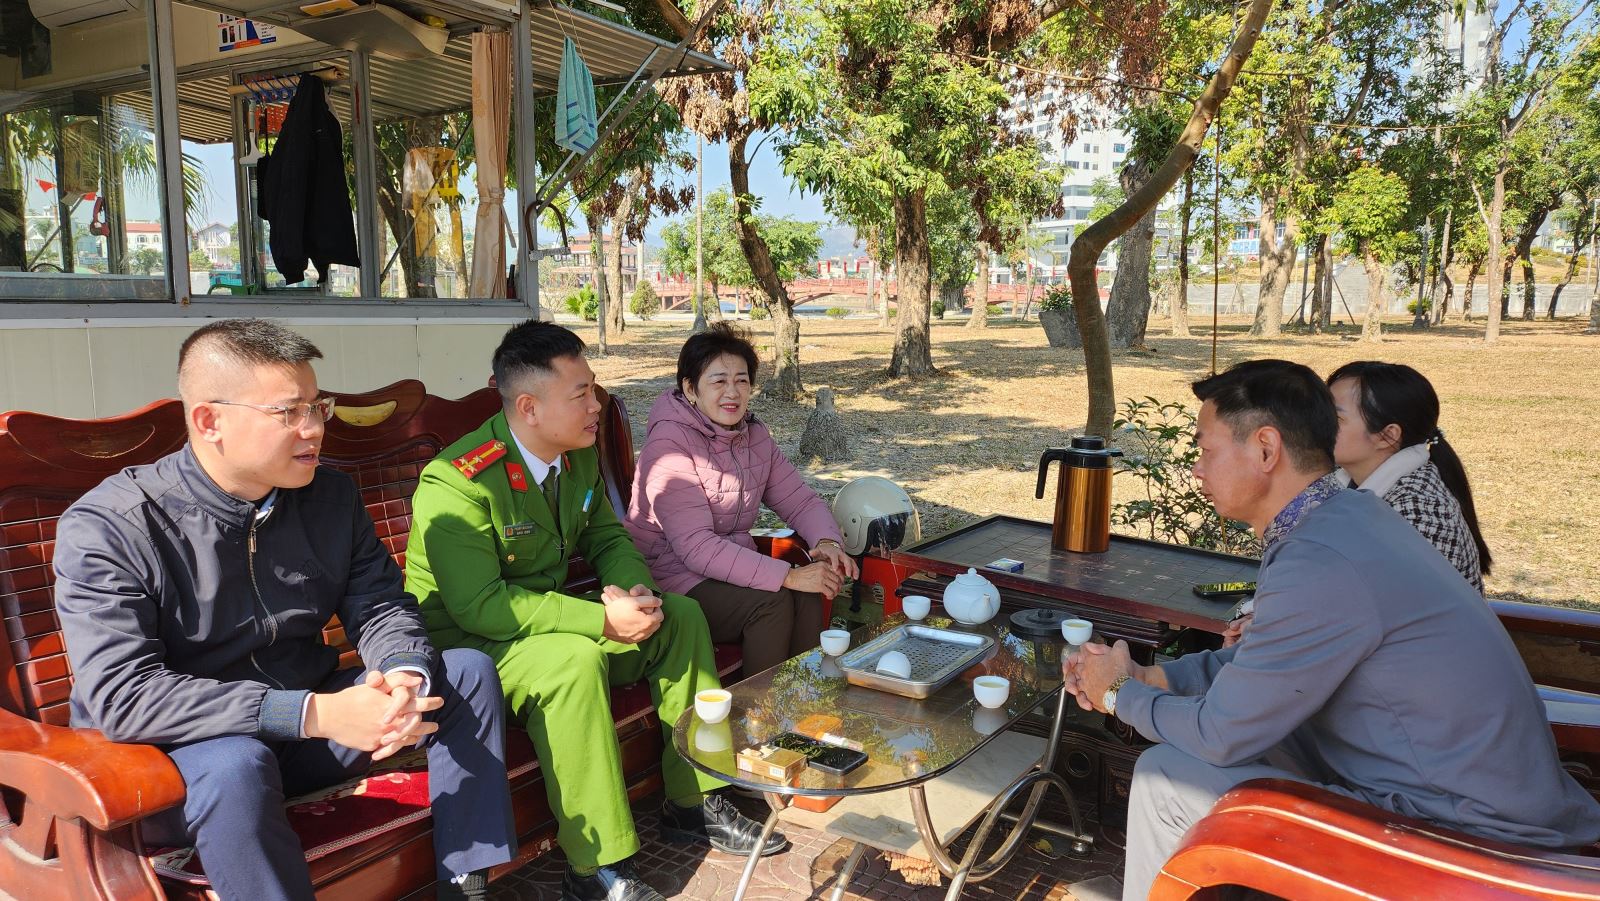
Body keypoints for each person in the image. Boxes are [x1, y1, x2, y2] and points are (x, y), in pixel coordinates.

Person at [1063, 359, 1600, 901]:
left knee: (1165, 779)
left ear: (1266, 450)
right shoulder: (1346, 519)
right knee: (1223, 750)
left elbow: (1221, 736)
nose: (1198, 469)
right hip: (1444, 789)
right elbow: (1264, 663)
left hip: (1464, 833)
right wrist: (1154, 677)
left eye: (1207, 450)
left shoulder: (1321, 558)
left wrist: (1118, 693)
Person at [54, 319, 515, 901]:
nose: (314, 428)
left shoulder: (329, 497)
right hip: (182, 754)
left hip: (303, 728)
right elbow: (124, 696)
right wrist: (310, 713)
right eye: (287, 413)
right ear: (210, 421)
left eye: (317, 407)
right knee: (237, 764)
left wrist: (402, 674)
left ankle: (466, 887)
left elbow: (379, 604)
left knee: (464, 674)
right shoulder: (113, 526)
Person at [404, 320, 787, 901]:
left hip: (548, 625)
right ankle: (596, 868)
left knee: (679, 617)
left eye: (594, 389)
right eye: (581, 393)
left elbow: (609, 539)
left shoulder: (574, 457)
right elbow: (481, 607)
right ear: (529, 407)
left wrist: (634, 595)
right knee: (573, 663)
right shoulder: (458, 483)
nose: (596, 405)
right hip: (475, 645)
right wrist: (601, 621)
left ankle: (696, 800)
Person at [624, 322, 858, 675]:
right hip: (670, 577)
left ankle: (806, 693)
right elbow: (696, 548)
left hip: (729, 569)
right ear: (690, 389)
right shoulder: (669, 446)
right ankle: (759, 707)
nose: (732, 392)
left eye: (742, 380)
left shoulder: (753, 436)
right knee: (773, 602)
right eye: (718, 381)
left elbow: (800, 500)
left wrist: (827, 542)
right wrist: (787, 575)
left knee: (808, 589)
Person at [1329, 360, 1490, 592]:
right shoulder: (1342, 482)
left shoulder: (1418, 511)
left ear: (1387, 436)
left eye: (1335, 418)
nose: (1315, 423)